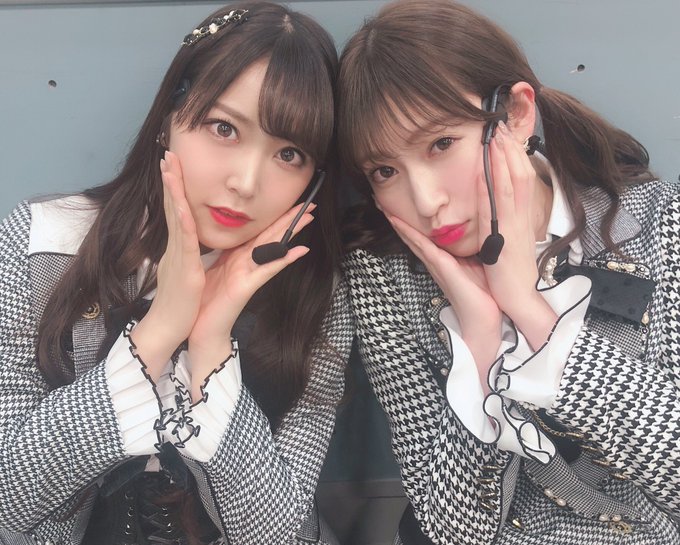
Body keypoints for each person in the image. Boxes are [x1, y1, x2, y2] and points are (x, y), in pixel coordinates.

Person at [0, 2, 354, 544]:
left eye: (289, 154)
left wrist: (211, 344)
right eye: (223, 128)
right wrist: (156, 335)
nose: (245, 182)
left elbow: (281, 535)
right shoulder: (45, 246)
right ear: (171, 116)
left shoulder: (313, 293)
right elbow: (7, 501)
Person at [336, 1, 680, 544]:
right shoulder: (385, 273)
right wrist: (479, 341)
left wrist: (531, 311)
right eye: (384, 170)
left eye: (442, 143)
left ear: (516, 113)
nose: (425, 202)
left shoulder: (662, 220)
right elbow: (451, 528)